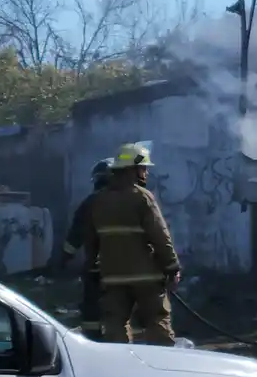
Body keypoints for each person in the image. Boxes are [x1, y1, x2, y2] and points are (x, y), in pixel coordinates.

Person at [86, 142, 182, 345]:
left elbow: (92, 238)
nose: (146, 172)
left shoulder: (99, 200)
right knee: (157, 320)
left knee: (115, 325)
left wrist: (93, 270)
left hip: (113, 277)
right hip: (146, 276)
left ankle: (120, 366)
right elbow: (160, 234)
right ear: (134, 169)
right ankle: (164, 366)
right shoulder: (142, 197)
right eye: (144, 167)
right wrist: (172, 267)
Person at [56, 158, 114, 340]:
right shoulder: (130, 200)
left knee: (92, 308)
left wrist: (64, 259)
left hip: (97, 268)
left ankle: (92, 339)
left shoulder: (90, 203)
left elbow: (75, 235)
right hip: (127, 267)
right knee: (123, 307)